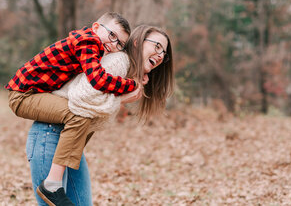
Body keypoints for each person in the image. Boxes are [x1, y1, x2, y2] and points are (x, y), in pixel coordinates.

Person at [15, 25, 174, 205]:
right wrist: (120, 100)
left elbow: (92, 116)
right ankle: (52, 183)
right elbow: (80, 99)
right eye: (157, 47)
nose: (161, 55)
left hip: (69, 143)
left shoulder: (125, 72)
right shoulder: (119, 62)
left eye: (164, 53)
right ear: (137, 43)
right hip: (50, 135)